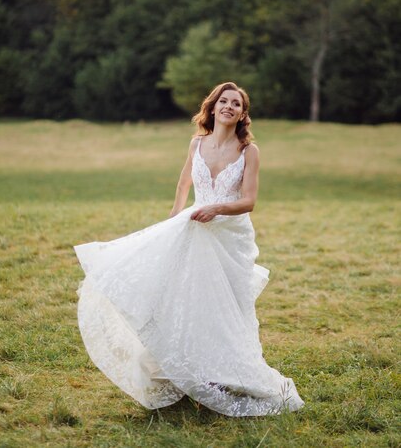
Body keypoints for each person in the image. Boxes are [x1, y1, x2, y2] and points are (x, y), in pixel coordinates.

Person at [74, 82, 304, 417]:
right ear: (212, 108)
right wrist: (171, 224)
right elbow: (184, 183)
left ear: (242, 113)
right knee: (186, 301)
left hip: (228, 236)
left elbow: (248, 201)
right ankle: (184, 373)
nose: (228, 106)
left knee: (225, 308)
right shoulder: (197, 143)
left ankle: (227, 374)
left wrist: (216, 210)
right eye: (223, 101)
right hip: (193, 228)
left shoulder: (248, 151)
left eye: (236, 103)